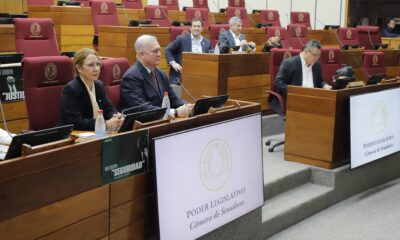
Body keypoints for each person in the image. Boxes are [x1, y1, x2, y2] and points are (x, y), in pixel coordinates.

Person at [120, 35, 191, 117]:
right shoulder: (131, 77)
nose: (159, 54)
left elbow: (174, 99)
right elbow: (142, 108)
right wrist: (174, 112)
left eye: (159, 50)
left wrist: (187, 106)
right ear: (141, 55)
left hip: (162, 121)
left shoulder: (161, 74)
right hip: (143, 125)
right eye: (155, 51)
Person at [60, 48, 124, 131]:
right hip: (74, 134)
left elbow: (109, 109)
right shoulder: (71, 89)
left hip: (95, 132)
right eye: (90, 65)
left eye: (98, 64)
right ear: (79, 68)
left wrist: (116, 117)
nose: (96, 69)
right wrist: (105, 124)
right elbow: (75, 122)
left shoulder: (99, 85)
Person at [271, 40, 331, 114]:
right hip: (296, 100)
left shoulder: (317, 65)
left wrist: (325, 85)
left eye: (319, 55)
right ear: (305, 51)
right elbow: (278, 83)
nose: (316, 58)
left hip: (314, 99)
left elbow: (320, 81)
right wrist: (295, 92)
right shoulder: (289, 63)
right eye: (314, 54)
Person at [164, 18, 212, 84]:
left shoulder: (207, 43)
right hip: (183, 75)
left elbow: (211, 59)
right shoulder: (181, 39)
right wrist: (173, 63)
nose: (196, 28)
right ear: (190, 28)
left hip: (201, 76)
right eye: (194, 26)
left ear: (202, 29)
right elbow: (167, 49)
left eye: (198, 26)